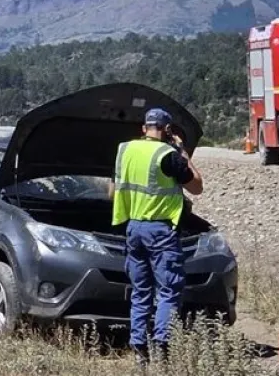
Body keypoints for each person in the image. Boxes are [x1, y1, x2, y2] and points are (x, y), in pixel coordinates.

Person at [111, 108, 204, 366]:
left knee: (140, 291)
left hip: (133, 229)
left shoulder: (125, 151)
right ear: (167, 130)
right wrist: (182, 152)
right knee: (168, 291)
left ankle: (140, 351)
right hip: (160, 232)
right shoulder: (168, 155)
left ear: (144, 128)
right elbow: (197, 186)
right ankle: (162, 349)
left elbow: (111, 191)